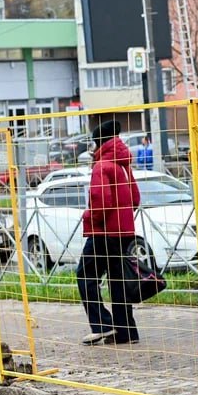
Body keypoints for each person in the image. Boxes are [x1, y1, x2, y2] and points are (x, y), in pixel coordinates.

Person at [77, 119, 141, 346]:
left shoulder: (102, 165)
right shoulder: (123, 164)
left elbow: (100, 201)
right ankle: (126, 332)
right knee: (117, 280)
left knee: (85, 275)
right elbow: (135, 198)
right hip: (124, 232)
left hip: (103, 233)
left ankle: (102, 325)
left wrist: (89, 217)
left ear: (99, 143)